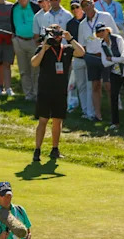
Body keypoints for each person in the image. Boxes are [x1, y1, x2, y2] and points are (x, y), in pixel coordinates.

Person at [30, 24, 84, 161]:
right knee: (43, 120)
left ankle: (55, 149)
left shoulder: (66, 49)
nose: (57, 37)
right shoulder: (43, 49)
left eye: (59, 34)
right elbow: (34, 63)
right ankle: (37, 150)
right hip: (45, 90)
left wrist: (70, 38)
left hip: (60, 90)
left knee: (57, 121)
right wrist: (43, 48)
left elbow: (81, 52)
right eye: (54, 34)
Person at [77, 0, 118, 121]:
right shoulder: (83, 24)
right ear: (82, 9)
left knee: (108, 85)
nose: (87, 7)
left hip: (106, 56)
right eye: (84, 5)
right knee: (95, 86)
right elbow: (82, 44)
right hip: (91, 57)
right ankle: (97, 114)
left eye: (88, 4)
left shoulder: (105, 16)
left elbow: (115, 35)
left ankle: (113, 114)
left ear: (93, 4)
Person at [96, 23, 124, 132]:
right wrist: (114, 60)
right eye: (99, 32)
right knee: (113, 97)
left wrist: (112, 59)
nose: (101, 33)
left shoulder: (117, 39)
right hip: (114, 72)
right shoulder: (102, 44)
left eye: (103, 30)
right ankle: (115, 122)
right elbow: (104, 62)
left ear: (108, 30)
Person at [11, 0, 40, 98]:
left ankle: (36, 93)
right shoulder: (14, 8)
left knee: (35, 69)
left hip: (33, 41)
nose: (21, 0)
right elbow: (12, 24)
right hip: (19, 41)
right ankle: (28, 94)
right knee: (23, 70)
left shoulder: (35, 7)